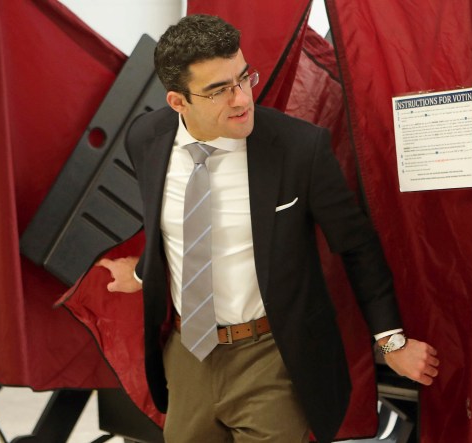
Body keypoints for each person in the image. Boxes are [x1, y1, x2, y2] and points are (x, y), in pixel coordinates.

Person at [98, 14, 439, 443]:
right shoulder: (146, 139)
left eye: (243, 78)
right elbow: (171, 226)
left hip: (271, 356)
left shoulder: (299, 148)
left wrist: (392, 344)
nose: (241, 99)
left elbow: (357, 246)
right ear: (177, 102)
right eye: (219, 90)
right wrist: (142, 273)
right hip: (188, 356)